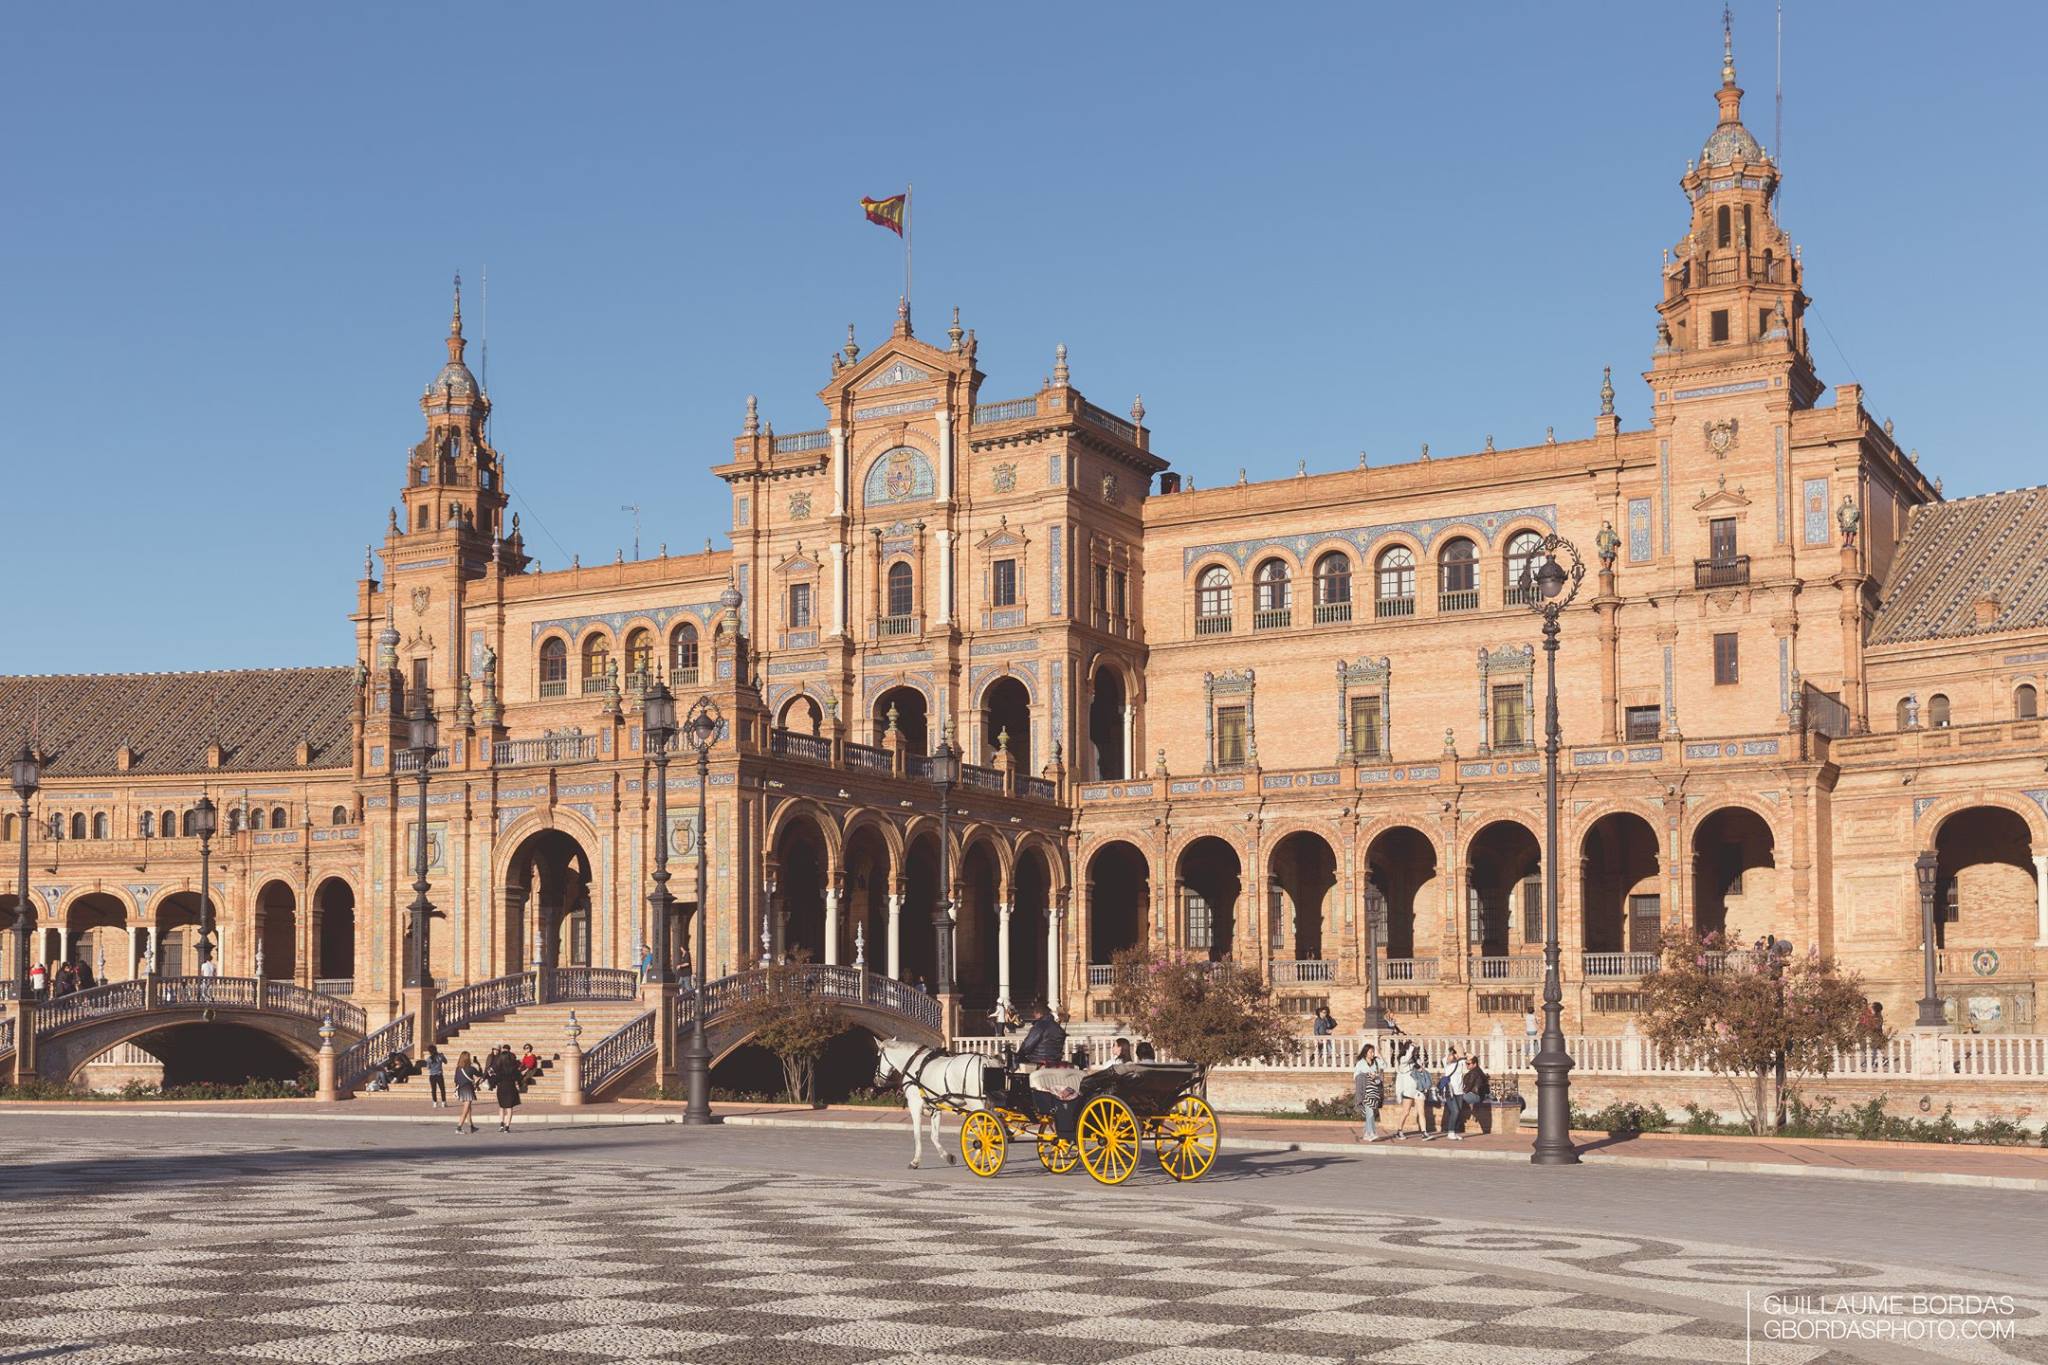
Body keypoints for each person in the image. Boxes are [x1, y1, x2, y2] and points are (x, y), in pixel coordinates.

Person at [1387, 1041, 1431, 1139]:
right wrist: (1410, 1049)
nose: (1415, 1052)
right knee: (1406, 1111)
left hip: (1419, 1090)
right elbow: (1406, 1059)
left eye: (1415, 1050)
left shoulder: (1416, 1061)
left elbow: (1422, 1071)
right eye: (1413, 1050)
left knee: (1421, 1111)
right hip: (1408, 1091)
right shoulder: (1403, 1061)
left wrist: (1421, 1067)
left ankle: (1424, 1132)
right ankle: (1399, 1130)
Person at [1430, 1050, 1469, 1140]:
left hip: (1459, 1091)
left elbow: (1469, 1060)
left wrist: (1463, 1054)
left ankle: (1454, 1131)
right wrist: (1455, 1054)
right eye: (1455, 1053)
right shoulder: (1447, 1061)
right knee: (1455, 1111)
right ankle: (1450, 1132)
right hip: (1449, 1090)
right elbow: (1449, 1058)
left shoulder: (1461, 1062)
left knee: (1458, 1111)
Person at [1014, 1001, 1066, 1066]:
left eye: (1034, 1014)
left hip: (1038, 1060)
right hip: (1055, 1061)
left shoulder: (1040, 1026)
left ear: (1038, 1014)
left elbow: (1028, 1045)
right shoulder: (1058, 1028)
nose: (1034, 1016)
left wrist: (1020, 1054)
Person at [1353, 1045, 1383, 1143]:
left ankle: (1367, 1133)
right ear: (1365, 1052)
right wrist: (1367, 1075)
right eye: (1371, 1052)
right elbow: (1356, 1076)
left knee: (1371, 1113)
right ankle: (1371, 1133)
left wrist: (1380, 1056)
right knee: (1369, 1113)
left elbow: (1384, 1066)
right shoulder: (1361, 1063)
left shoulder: (1376, 1062)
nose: (1372, 1054)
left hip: (1374, 1090)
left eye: (1373, 1052)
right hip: (1365, 1090)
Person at [489, 1046, 522, 1131]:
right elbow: (519, 1077)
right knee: (509, 1107)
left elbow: (494, 1077)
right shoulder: (513, 1067)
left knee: (501, 1106)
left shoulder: (499, 1068)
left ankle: (501, 1124)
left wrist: (492, 1083)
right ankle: (507, 1126)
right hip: (511, 1087)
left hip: (501, 1087)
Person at [452, 1051, 482, 1133]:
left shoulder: (458, 1069)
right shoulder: (471, 1068)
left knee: (468, 1108)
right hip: (468, 1089)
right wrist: (478, 1064)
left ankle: (471, 1126)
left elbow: (455, 1080)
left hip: (461, 1089)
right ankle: (459, 1127)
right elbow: (480, 1074)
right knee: (465, 1110)